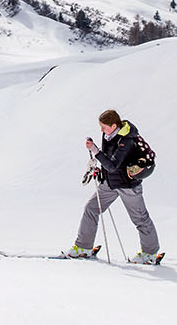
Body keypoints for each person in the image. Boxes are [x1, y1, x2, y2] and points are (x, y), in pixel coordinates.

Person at [66, 109, 161, 263]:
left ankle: (150, 254)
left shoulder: (127, 140)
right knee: (91, 208)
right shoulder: (108, 135)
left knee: (140, 218)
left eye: (103, 127)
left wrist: (95, 151)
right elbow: (109, 160)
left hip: (128, 186)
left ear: (114, 125)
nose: (101, 130)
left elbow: (113, 165)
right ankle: (83, 247)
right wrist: (101, 172)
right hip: (110, 183)